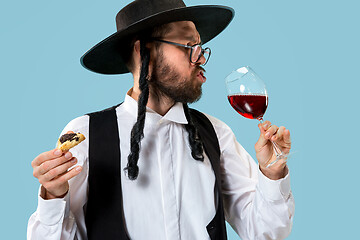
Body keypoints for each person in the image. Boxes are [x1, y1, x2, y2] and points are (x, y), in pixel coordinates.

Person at [27, 0, 294, 239]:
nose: (201, 57)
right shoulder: (86, 134)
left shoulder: (216, 134)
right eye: (189, 46)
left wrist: (272, 172)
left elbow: (266, 231)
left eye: (201, 47)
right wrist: (53, 195)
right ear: (144, 53)